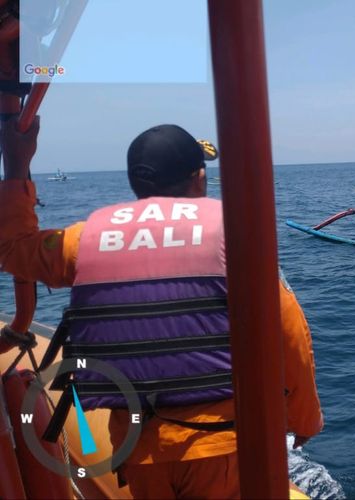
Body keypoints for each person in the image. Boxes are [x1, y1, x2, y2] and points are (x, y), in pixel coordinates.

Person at [0, 120, 324, 498]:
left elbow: (12, 248)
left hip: (138, 449)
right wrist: (304, 418)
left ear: (136, 182)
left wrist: (19, 165)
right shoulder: (232, 232)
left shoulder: (84, 239)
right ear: (199, 177)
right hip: (220, 447)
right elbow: (288, 334)